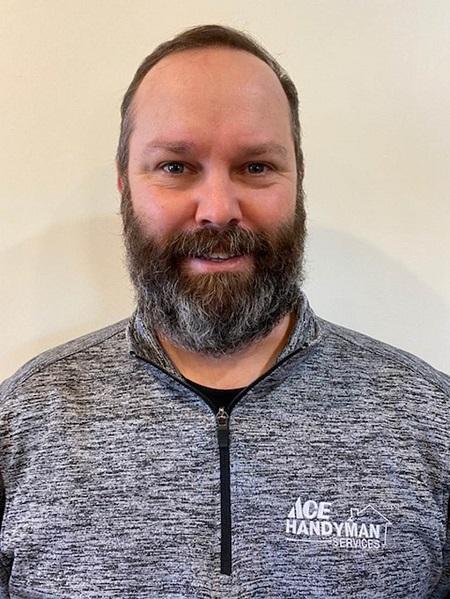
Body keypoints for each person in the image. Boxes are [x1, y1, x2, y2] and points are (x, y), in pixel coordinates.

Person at [0, 24, 449, 599]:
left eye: (255, 166)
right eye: (176, 167)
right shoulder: (23, 421)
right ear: (124, 186)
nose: (217, 209)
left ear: (299, 182)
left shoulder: (431, 421)